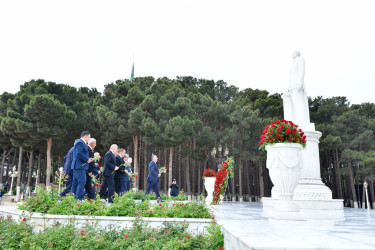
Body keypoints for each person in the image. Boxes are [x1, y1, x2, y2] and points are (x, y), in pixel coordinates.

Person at [71, 131, 94, 201]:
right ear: (85, 136)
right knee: (82, 181)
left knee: (75, 183)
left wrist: (88, 159)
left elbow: (80, 153)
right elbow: (78, 153)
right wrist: (87, 159)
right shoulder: (80, 142)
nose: (89, 139)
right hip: (79, 166)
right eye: (89, 137)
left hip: (79, 166)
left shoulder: (81, 143)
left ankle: (73, 199)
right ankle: (78, 199)